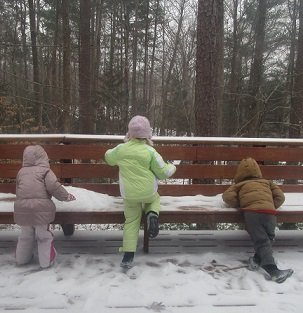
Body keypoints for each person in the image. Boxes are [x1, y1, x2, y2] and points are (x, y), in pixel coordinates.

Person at [105, 115, 176, 268]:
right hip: (148, 192)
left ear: (129, 133)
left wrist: (122, 144)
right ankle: (152, 214)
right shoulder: (150, 152)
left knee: (131, 221)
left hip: (129, 195)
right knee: (154, 199)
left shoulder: (120, 150)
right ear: (147, 135)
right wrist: (173, 167)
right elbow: (163, 172)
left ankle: (128, 256)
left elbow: (108, 158)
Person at [222, 157, 293, 283]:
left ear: (239, 173)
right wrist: (270, 204)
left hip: (252, 214)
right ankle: (256, 261)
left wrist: (242, 203)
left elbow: (227, 197)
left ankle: (273, 271)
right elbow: (280, 197)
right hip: (270, 213)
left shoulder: (239, 185)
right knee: (268, 238)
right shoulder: (267, 182)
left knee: (261, 241)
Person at [14, 145, 76, 269]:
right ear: (44, 158)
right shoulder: (46, 171)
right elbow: (53, 187)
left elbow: (18, 191)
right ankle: (46, 262)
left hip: (22, 209)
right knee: (43, 236)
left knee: (25, 236)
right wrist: (66, 196)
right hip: (41, 210)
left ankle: (21, 260)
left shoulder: (21, 172)